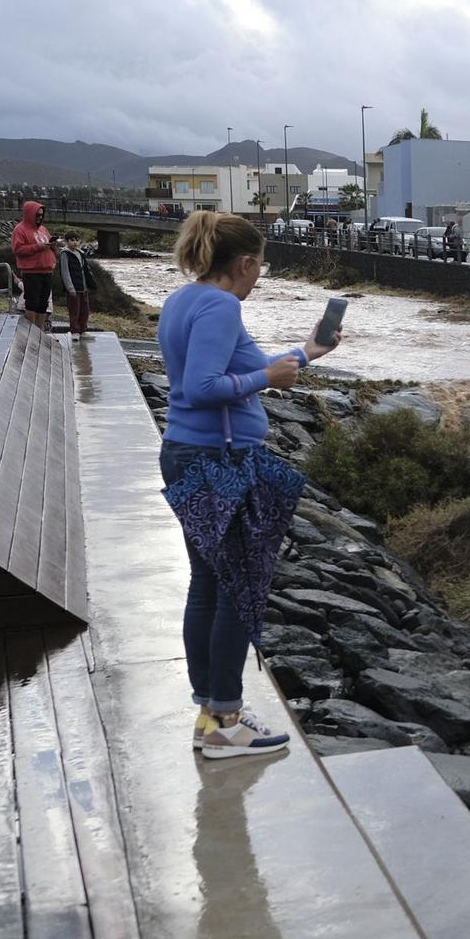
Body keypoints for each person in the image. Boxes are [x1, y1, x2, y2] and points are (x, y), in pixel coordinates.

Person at [159, 210, 340, 760]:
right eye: (261, 264)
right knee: (236, 592)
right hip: (218, 459)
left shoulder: (184, 299)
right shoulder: (220, 305)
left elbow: (238, 363)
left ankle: (212, 716)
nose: (260, 273)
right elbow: (204, 385)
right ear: (244, 262)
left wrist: (304, 354)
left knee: (209, 586)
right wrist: (267, 379)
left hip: (187, 453)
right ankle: (226, 723)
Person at [10, 199, 62, 328]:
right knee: (32, 303)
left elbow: (48, 247)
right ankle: (31, 331)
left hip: (47, 270)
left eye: (41, 215)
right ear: (29, 214)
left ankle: (40, 330)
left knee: (43, 303)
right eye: (37, 215)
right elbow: (17, 249)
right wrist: (38, 246)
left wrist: (53, 246)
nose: (40, 218)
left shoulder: (43, 229)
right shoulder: (20, 230)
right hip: (32, 271)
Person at [58, 233, 92, 337]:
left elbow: (85, 270)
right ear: (67, 241)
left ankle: (83, 330)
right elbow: (65, 272)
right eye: (72, 240)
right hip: (73, 287)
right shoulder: (65, 254)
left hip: (83, 286)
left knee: (85, 310)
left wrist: (89, 283)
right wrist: (70, 287)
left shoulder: (80, 253)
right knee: (74, 310)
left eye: (77, 240)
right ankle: (75, 331)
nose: (75, 242)